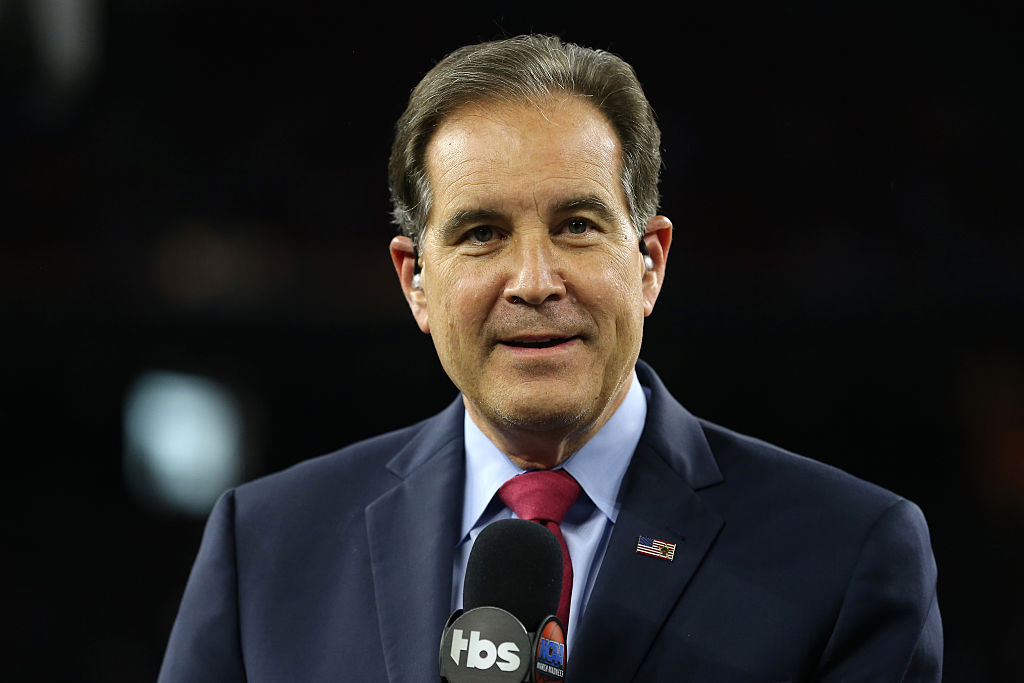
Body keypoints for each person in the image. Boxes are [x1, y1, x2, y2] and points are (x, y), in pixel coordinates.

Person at [158, 35, 941, 682]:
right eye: (481, 234)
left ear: (650, 262)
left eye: (575, 226)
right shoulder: (264, 546)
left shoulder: (849, 553)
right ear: (415, 283)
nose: (534, 282)